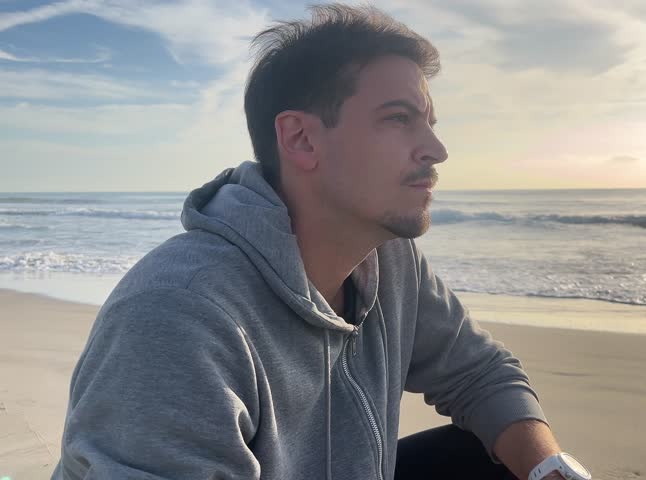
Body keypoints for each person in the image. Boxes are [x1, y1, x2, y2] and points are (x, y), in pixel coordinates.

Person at [52, 4, 589, 480]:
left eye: (429, 122)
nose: (436, 149)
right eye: (399, 119)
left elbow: (478, 374)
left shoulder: (387, 258)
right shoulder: (179, 314)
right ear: (301, 138)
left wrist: (552, 472)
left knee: (489, 455)